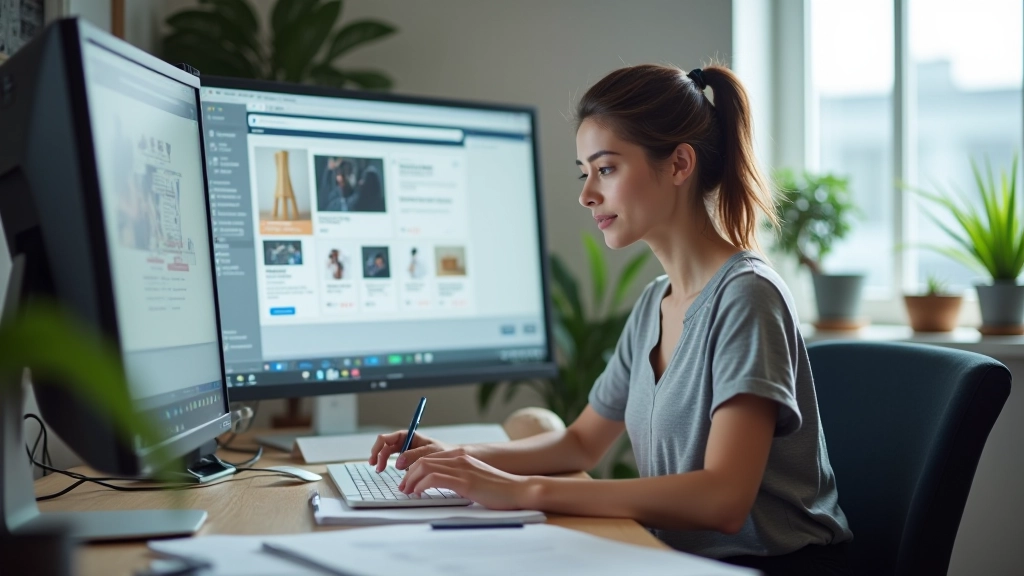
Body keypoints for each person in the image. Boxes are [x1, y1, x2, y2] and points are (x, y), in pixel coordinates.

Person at [368, 63, 853, 576]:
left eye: (606, 169)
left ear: (679, 164)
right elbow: (581, 441)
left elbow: (723, 500)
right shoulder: (654, 304)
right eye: (585, 172)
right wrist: (456, 454)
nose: (586, 195)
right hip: (677, 561)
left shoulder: (748, 297)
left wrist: (519, 490)